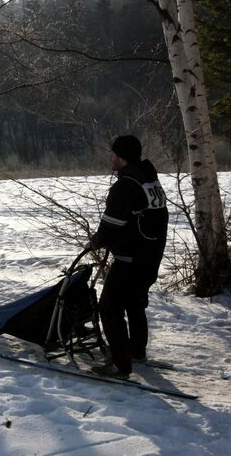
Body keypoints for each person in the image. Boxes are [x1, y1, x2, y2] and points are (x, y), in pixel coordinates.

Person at [84, 135, 168, 379]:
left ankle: (120, 364)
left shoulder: (125, 185)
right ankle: (136, 350)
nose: (110, 157)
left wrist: (95, 243)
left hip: (130, 258)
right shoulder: (149, 179)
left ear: (121, 157)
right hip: (151, 257)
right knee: (135, 302)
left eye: (113, 153)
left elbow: (112, 225)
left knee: (109, 307)